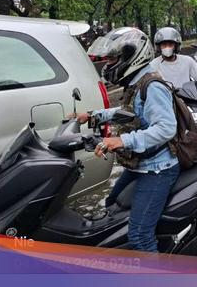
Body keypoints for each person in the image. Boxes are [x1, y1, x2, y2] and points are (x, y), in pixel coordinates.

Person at [73, 27, 180, 252]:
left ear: (133, 55)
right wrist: (92, 115)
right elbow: (127, 112)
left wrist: (122, 141)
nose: (108, 64)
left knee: (140, 236)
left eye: (113, 58)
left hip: (157, 169)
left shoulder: (152, 86)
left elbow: (166, 128)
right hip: (140, 164)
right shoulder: (136, 82)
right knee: (112, 204)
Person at [150, 27, 197, 93]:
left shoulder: (187, 61)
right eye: (164, 45)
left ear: (176, 46)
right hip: (164, 100)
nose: (167, 47)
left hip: (186, 99)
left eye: (170, 44)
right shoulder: (153, 65)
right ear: (159, 47)